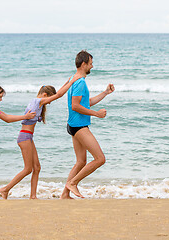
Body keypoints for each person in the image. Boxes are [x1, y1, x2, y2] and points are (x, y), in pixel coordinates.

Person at [0, 76, 80, 199]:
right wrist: (73, 81)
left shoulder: (38, 103)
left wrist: (67, 82)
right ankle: (5, 189)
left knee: (37, 167)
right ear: (45, 95)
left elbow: (57, 94)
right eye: (49, 99)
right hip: (24, 137)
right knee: (27, 169)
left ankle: (33, 196)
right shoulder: (37, 101)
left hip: (28, 137)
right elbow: (58, 96)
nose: (50, 102)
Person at [61, 50, 115, 199]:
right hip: (79, 126)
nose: (92, 66)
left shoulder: (74, 78)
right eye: (91, 63)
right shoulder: (80, 82)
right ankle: (73, 183)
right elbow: (75, 106)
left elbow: (86, 102)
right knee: (100, 159)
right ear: (84, 64)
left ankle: (65, 195)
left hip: (73, 125)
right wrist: (96, 114)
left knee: (80, 162)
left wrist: (105, 93)